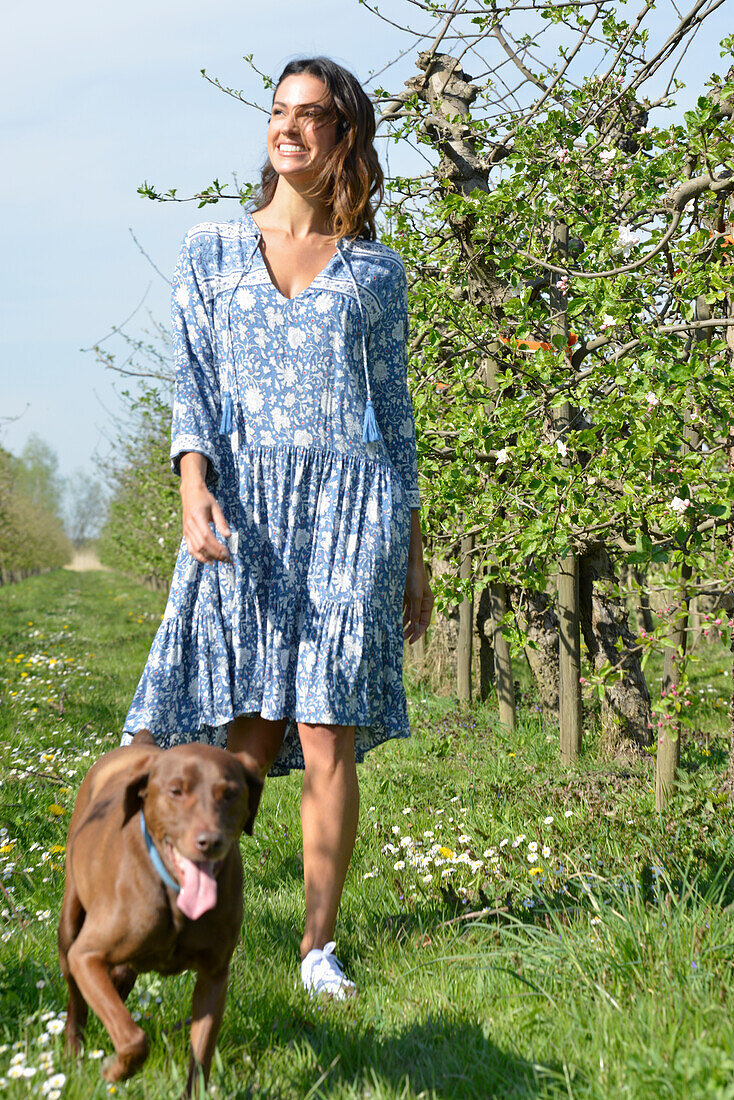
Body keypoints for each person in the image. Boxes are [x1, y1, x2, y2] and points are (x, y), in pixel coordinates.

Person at [123, 56, 433, 998]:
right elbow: (194, 386)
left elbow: (398, 416)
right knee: (244, 742)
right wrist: (192, 485)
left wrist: (415, 554)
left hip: (353, 511)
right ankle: (195, 906)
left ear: (344, 138)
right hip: (246, 509)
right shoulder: (210, 249)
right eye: (278, 111)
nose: (287, 126)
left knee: (326, 731)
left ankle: (316, 947)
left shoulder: (377, 272)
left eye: (310, 115)